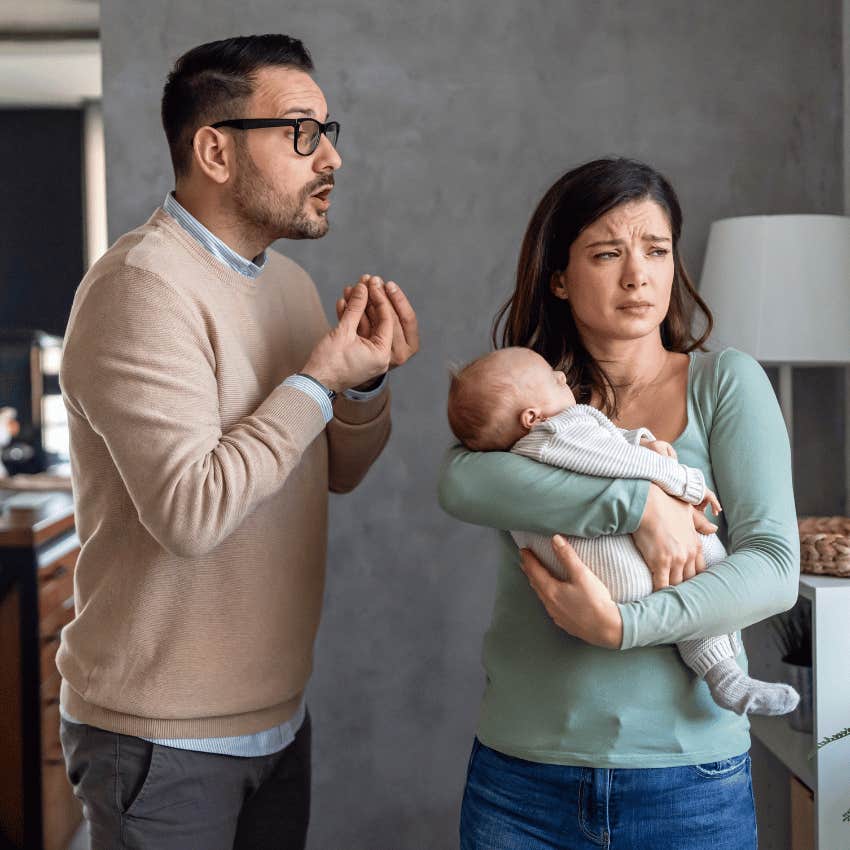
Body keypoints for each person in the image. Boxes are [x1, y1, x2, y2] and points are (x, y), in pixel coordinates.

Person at [58, 34, 418, 850]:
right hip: (162, 737)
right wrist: (317, 382)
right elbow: (192, 512)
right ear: (214, 149)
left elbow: (333, 473)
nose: (329, 156)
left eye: (330, 131)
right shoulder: (140, 288)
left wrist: (360, 383)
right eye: (300, 132)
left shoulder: (287, 282)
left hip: (277, 715)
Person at [438, 157, 798, 849]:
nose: (638, 275)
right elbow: (461, 485)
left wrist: (624, 626)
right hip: (521, 780)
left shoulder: (725, 383)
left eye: (656, 250)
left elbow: (774, 567)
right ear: (561, 277)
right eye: (608, 253)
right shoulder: (527, 396)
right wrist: (639, 504)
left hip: (687, 782)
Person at [447, 345, 799, 717]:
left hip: (606, 590)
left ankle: (723, 675)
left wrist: (642, 441)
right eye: (551, 379)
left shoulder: (523, 452)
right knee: (707, 554)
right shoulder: (554, 431)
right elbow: (610, 456)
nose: (562, 377)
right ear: (531, 416)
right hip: (617, 575)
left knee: (695, 564)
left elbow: (606, 445)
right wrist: (681, 485)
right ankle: (722, 671)